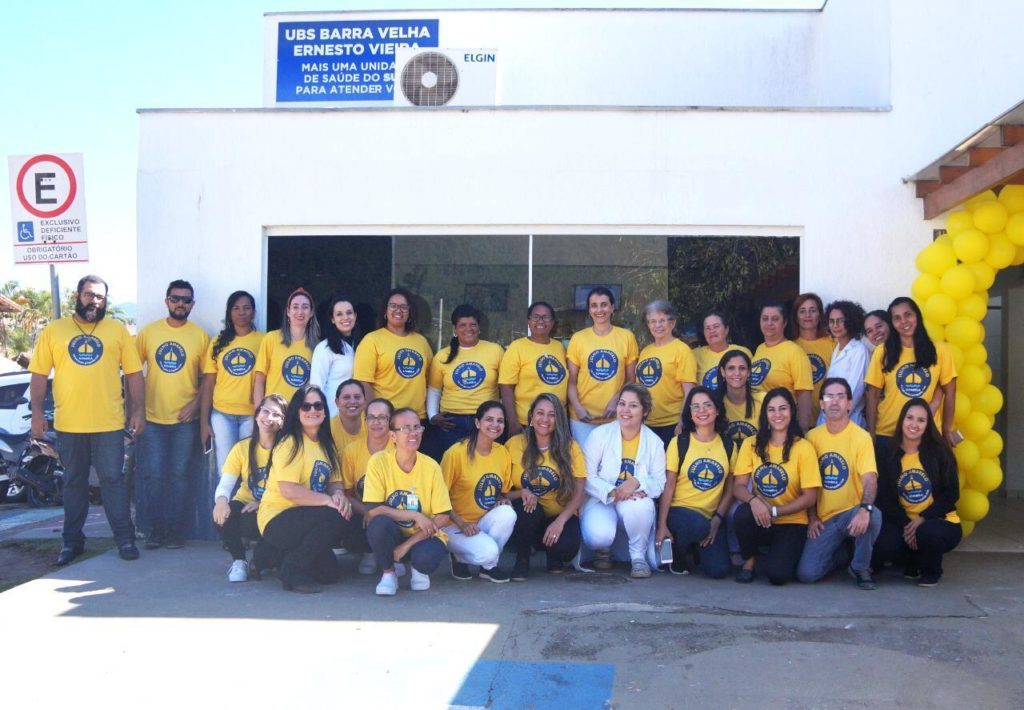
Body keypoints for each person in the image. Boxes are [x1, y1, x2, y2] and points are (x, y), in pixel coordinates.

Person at [28, 275, 145, 565]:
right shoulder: (54, 331)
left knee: (113, 483)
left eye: (101, 297)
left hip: (109, 425)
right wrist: (38, 414)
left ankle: (125, 540)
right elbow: (39, 375)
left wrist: (138, 411)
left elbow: (133, 374)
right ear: (77, 295)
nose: (95, 301)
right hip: (69, 425)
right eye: (90, 295)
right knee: (73, 484)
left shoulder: (117, 331)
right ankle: (71, 543)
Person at [136, 279, 210, 549]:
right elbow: (133, 374)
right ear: (166, 300)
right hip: (152, 419)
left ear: (192, 304)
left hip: (185, 421)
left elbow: (207, 379)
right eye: (176, 298)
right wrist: (134, 410)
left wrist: (195, 405)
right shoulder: (148, 333)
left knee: (179, 478)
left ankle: (175, 532)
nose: (181, 303)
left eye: (186, 300)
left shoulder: (200, 336)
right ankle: (155, 531)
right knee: (154, 477)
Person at [256, 385, 352, 593]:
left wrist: (337, 494)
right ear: (297, 412)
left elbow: (335, 481)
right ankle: (291, 569)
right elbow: (289, 491)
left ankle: (270, 555)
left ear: (325, 411)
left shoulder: (327, 444)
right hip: (277, 518)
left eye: (317, 405)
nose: (312, 410)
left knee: (329, 575)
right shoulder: (290, 443)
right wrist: (328, 501)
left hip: (306, 517)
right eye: (305, 406)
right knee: (334, 515)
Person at [797, 378, 882, 590]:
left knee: (873, 515)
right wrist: (812, 516)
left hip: (851, 514)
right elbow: (805, 484)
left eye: (840, 397)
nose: (834, 402)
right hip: (824, 520)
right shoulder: (811, 437)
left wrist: (864, 509)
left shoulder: (861, 438)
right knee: (807, 574)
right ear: (822, 404)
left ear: (850, 403)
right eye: (829, 397)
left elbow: (870, 478)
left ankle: (860, 567)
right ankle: (841, 555)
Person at [732, 388, 820, 585]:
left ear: (792, 411)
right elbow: (738, 487)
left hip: (792, 521)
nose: (777, 414)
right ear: (765, 414)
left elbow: (810, 497)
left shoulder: (803, 447)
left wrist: (775, 511)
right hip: (759, 517)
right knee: (743, 513)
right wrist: (754, 501)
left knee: (778, 576)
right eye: (771, 410)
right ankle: (749, 561)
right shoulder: (751, 444)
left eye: (783, 408)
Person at [363, 408, 452, 596]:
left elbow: (443, 515)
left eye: (417, 428)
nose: (413, 433)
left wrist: (406, 546)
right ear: (392, 436)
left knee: (426, 558)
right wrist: (413, 514)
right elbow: (373, 510)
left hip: (423, 535)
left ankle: (417, 569)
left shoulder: (431, 466)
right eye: (405, 428)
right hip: (393, 533)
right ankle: (389, 573)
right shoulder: (378, 462)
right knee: (378, 524)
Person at [873, 398, 962, 587]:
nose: (914, 424)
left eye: (921, 420)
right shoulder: (888, 452)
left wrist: (922, 519)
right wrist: (908, 526)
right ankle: (914, 559)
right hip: (903, 522)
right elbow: (885, 499)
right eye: (909, 418)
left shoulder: (940, 452)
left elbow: (951, 494)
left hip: (939, 521)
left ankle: (932, 571)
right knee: (884, 544)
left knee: (929, 533)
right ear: (901, 421)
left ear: (928, 424)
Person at [580, 384, 666, 578]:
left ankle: (637, 557)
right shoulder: (599, 435)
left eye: (633, 406)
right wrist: (613, 491)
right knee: (598, 535)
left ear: (645, 411)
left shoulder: (654, 442)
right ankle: (602, 550)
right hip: (601, 499)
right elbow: (585, 476)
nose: (625, 410)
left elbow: (660, 482)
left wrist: (636, 482)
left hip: (633, 501)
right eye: (622, 404)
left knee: (642, 506)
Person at [505, 393, 587, 580]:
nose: (545, 419)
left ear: (558, 419)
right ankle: (522, 558)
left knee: (567, 548)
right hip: (528, 516)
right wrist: (521, 492)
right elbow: (501, 494)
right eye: (540, 413)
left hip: (558, 515)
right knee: (528, 510)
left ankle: (553, 554)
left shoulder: (571, 447)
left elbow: (579, 489)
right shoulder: (514, 445)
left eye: (552, 415)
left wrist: (561, 522)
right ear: (531, 417)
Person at [656, 387, 734, 579]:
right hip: (679, 512)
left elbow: (730, 488)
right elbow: (669, 485)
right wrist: (662, 525)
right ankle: (679, 555)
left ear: (717, 410)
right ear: (689, 414)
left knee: (719, 570)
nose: (702, 411)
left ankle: (695, 548)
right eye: (696, 407)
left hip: (709, 517)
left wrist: (717, 519)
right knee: (698, 527)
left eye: (707, 405)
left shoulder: (728, 445)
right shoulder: (679, 442)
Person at [865, 297, 957, 454]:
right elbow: (872, 394)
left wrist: (946, 428)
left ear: (917, 316)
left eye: (908, 314)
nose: (904, 321)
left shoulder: (940, 350)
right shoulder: (882, 351)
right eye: (897, 318)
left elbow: (950, 392)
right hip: (887, 433)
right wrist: (871, 432)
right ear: (892, 324)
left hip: (926, 433)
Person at [211, 394, 288, 582]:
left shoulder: (287, 448)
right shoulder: (242, 448)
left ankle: (265, 558)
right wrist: (221, 501)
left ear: (283, 422)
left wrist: (262, 502)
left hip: (278, 510)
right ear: (257, 413)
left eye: (276, 415)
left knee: (277, 561)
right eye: (265, 411)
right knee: (224, 515)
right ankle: (239, 560)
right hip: (247, 507)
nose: (269, 418)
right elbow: (226, 484)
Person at [442, 401, 516, 583]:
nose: (495, 425)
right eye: (489, 419)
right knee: (489, 551)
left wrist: (501, 498)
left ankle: (487, 567)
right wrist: (461, 524)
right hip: (453, 525)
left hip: (482, 522)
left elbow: (502, 490)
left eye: (500, 421)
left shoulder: (502, 453)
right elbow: (439, 499)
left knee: (507, 513)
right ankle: (459, 556)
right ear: (477, 423)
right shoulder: (455, 453)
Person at [427, 304, 504, 458]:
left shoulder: (496, 351)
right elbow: (434, 390)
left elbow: (504, 388)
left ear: (479, 327)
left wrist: (501, 414)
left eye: (473, 324)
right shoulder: (442, 356)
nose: (468, 329)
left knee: (485, 465)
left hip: (487, 421)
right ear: (455, 328)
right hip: (452, 423)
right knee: (454, 467)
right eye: (462, 325)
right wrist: (432, 416)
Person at [200, 290, 265, 472]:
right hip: (222, 415)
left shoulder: (265, 340)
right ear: (229, 312)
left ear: (253, 312)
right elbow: (208, 384)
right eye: (236, 308)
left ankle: (243, 502)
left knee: (249, 468)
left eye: (246, 308)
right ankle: (223, 502)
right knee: (225, 468)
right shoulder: (218, 342)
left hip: (252, 415)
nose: (241, 312)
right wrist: (204, 421)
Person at [566, 287, 639, 445]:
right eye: (594, 305)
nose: (599, 310)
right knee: (585, 467)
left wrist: (617, 400)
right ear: (589, 309)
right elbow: (571, 380)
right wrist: (577, 408)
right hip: (582, 418)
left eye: (604, 304)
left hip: (616, 417)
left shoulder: (627, 337)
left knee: (612, 466)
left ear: (612, 307)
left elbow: (631, 379)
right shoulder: (578, 339)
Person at [353, 288, 433, 422]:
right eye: (393, 306)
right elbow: (364, 383)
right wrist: (376, 416)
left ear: (410, 312)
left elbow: (429, 380)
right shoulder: (372, 340)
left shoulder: (421, 342)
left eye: (403, 307)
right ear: (385, 311)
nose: (398, 310)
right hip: (387, 418)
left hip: (417, 419)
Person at [340, 397, 394, 575]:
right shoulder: (351, 451)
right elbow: (347, 493)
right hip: (363, 512)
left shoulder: (400, 448)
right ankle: (369, 552)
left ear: (390, 420)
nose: (376, 422)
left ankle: (395, 556)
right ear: (365, 421)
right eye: (371, 417)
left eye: (382, 417)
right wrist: (367, 511)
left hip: (394, 512)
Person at [498, 301, 568, 437]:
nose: (540, 321)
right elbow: (506, 387)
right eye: (535, 317)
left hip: (557, 423)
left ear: (553, 322)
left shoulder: (559, 347)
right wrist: (513, 422)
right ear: (529, 321)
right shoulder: (517, 347)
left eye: (545, 317)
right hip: (526, 423)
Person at [636, 300, 696, 445]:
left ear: (672, 323)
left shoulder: (682, 350)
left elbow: (689, 391)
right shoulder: (645, 351)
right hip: (646, 423)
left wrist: (683, 420)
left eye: (662, 320)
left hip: (672, 424)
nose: (657, 325)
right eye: (652, 321)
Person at [750, 302, 813, 432]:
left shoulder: (794, 351)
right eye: (765, 318)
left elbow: (804, 393)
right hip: (761, 424)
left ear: (784, 323)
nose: (769, 323)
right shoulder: (760, 349)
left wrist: (802, 431)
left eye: (775, 319)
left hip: (785, 425)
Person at [253, 287, 319, 404]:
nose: (300, 312)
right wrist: (259, 411)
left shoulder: (317, 346)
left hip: (301, 413)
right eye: (295, 307)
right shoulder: (271, 338)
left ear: (311, 312)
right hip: (274, 412)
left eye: (305, 307)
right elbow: (259, 379)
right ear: (288, 311)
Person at [819, 300, 870, 427]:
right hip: (828, 418)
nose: (835, 325)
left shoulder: (859, 350)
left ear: (851, 321)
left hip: (848, 421)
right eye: (831, 321)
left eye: (841, 320)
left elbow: (855, 392)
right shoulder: (837, 349)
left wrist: (835, 420)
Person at [310, 294, 360, 418]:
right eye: (339, 314)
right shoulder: (324, 348)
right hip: (332, 414)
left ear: (355, 316)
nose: (345, 317)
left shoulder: (362, 345)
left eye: (349, 313)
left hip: (355, 415)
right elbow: (317, 386)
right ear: (332, 319)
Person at [792, 293, 833, 424]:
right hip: (798, 419)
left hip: (827, 419)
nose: (808, 315)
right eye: (802, 311)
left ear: (820, 315)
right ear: (796, 317)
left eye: (813, 310)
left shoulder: (833, 343)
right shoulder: (790, 346)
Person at [693, 311, 752, 391]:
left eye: (716, 326)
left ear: (726, 329)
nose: (712, 331)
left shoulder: (742, 352)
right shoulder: (694, 355)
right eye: (707, 328)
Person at [718, 349, 763, 451]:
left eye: (742, 368)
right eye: (731, 368)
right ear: (722, 372)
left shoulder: (763, 400)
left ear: (749, 372)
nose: (737, 373)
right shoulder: (714, 402)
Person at [330, 379, 368, 453]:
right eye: (346, 397)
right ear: (337, 402)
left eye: (357, 397)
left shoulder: (373, 423)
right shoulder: (329, 429)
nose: (353, 401)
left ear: (365, 401)